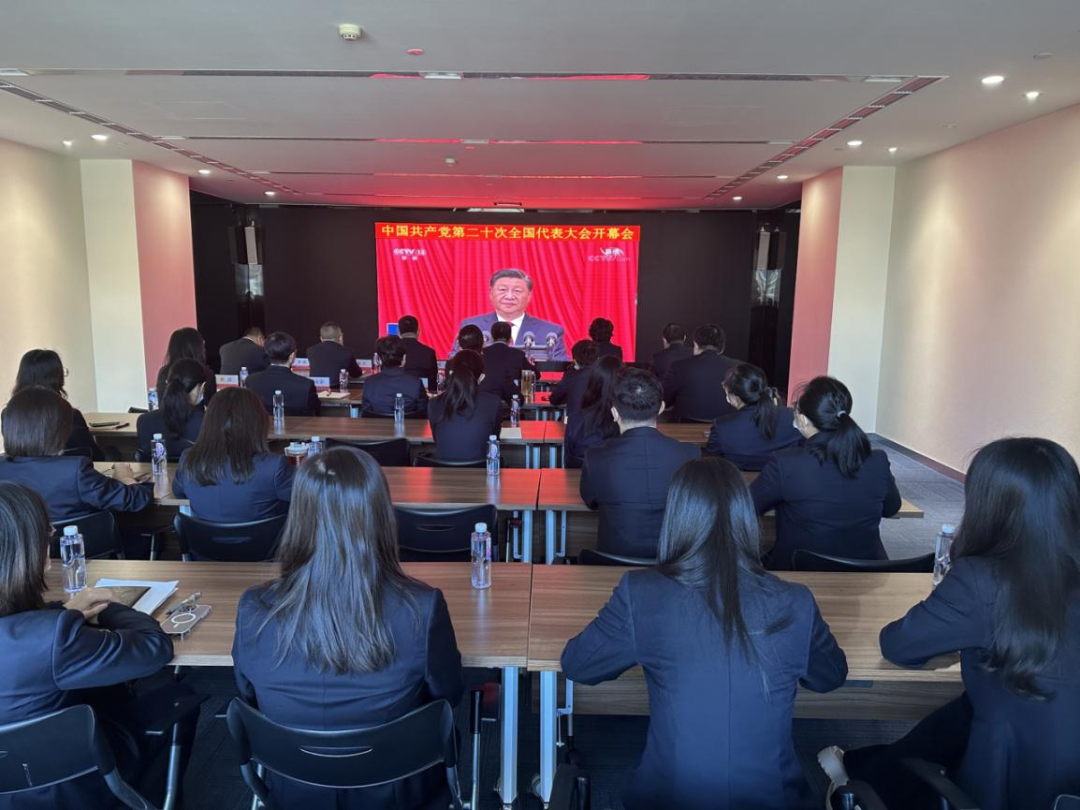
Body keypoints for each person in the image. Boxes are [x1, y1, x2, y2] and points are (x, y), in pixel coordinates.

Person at [563, 458, 848, 810]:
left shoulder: (641, 594)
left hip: (666, 801)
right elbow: (830, 677)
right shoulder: (796, 601)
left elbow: (579, 665)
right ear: (745, 518)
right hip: (776, 800)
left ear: (675, 517)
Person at [822, 438, 1080, 810]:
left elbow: (898, 644)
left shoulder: (983, 578)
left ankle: (868, 784)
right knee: (960, 711)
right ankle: (870, 768)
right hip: (1057, 763)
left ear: (988, 504)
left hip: (1017, 783)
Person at [232, 447, 464, 809]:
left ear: (298, 515)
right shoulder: (422, 608)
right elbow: (449, 695)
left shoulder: (252, 609)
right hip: (398, 793)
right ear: (381, 513)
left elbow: (248, 697)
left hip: (295, 793)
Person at [0, 481, 196, 810]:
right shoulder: (52, 636)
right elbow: (154, 648)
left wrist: (67, 613)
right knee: (181, 697)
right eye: (46, 533)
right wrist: (109, 604)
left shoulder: (46, 630)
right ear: (27, 551)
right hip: (69, 782)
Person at [750, 376, 901, 570]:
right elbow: (891, 508)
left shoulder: (785, 463)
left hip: (798, 571)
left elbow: (749, 505)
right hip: (866, 571)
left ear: (802, 418)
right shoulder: (877, 460)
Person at [580, 368, 700, 558]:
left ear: (614, 413)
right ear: (661, 408)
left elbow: (590, 501)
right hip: (674, 563)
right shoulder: (690, 454)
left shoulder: (595, 458)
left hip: (614, 562)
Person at [0, 388, 152, 523]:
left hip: (20, 546)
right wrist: (126, 480)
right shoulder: (74, 471)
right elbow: (136, 500)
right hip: (85, 545)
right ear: (58, 430)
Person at [172, 388, 294, 523]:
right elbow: (307, 496)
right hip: (268, 537)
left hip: (201, 537)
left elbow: (178, 491)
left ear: (209, 422)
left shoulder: (189, 459)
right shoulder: (274, 467)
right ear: (258, 422)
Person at [453, 268, 568, 361]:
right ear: (491, 293)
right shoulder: (472, 326)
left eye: (517, 291)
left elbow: (559, 369)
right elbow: (454, 361)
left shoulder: (550, 332)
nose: (509, 296)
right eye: (502, 290)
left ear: (529, 296)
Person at [12, 348, 103, 461]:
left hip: (24, 472)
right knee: (112, 452)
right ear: (57, 378)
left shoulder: (9, 415)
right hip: (69, 471)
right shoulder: (70, 415)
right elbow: (93, 455)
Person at [706, 363, 802, 470]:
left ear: (734, 398)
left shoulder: (721, 427)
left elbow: (712, 463)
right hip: (784, 479)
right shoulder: (792, 417)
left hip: (738, 480)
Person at [428, 351, 502, 463]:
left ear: (451, 373)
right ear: (481, 377)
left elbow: (437, 440)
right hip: (483, 470)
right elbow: (494, 439)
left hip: (442, 471)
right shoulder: (494, 402)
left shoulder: (433, 403)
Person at [663, 323, 738, 422]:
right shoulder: (737, 367)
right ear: (722, 347)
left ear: (695, 345)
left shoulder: (678, 367)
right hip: (726, 427)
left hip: (684, 427)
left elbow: (664, 399)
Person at [136, 358, 206, 461]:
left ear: (167, 383)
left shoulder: (144, 421)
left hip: (155, 471)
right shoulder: (206, 422)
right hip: (192, 472)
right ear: (202, 387)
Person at [245, 331, 321, 417]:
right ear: (292, 356)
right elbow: (316, 413)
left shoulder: (250, 381)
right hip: (298, 426)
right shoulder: (305, 385)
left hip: (262, 425)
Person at [564, 355, 622, 468]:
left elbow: (568, 462)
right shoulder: (628, 422)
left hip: (580, 477)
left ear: (593, 382)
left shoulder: (575, 420)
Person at [361, 335, 428, 418]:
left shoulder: (369, 382)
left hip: (377, 426)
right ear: (404, 358)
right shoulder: (416, 383)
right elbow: (423, 414)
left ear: (379, 360)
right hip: (408, 426)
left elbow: (366, 415)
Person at [480, 321, 537, 403]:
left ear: (492, 337)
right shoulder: (518, 354)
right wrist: (531, 365)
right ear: (510, 338)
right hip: (512, 400)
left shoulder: (482, 353)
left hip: (485, 399)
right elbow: (536, 375)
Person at [155, 327, 216, 403]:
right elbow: (211, 406)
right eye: (202, 344)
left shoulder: (164, 373)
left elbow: (161, 403)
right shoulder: (207, 374)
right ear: (197, 348)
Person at [549, 340, 599, 416]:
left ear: (575, 361)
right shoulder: (606, 377)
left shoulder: (571, 377)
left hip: (576, 423)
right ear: (598, 358)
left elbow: (554, 399)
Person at [398, 315, 439, 394]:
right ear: (418, 331)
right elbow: (433, 386)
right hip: (422, 396)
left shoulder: (392, 351)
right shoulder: (429, 352)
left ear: (398, 332)